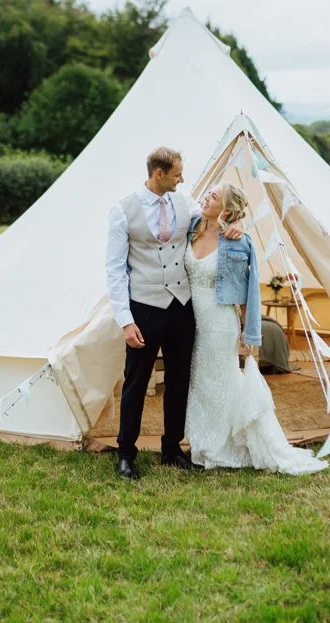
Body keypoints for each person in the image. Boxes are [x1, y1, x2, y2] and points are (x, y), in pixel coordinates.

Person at [105, 147, 243, 480]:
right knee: (136, 382)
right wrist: (126, 321)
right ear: (159, 174)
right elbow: (114, 270)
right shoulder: (123, 211)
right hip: (144, 307)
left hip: (182, 306)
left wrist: (237, 226)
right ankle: (126, 454)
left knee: (179, 379)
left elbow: (219, 215)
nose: (182, 179)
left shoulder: (185, 204)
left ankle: (171, 448)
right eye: (177, 174)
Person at [184, 183, 328, 475]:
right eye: (208, 193)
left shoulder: (239, 242)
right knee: (197, 383)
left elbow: (250, 291)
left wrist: (250, 335)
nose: (206, 198)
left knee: (220, 383)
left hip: (219, 322)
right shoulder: (191, 227)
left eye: (213, 196)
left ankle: (221, 446)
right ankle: (199, 444)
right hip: (189, 320)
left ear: (225, 209)